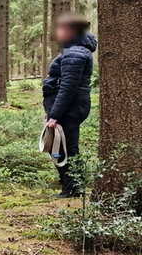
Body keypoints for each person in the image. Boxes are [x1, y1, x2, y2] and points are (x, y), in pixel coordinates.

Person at [43, 13, 97, 198]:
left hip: (69, 109)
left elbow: (67, 88)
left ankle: (73, 188)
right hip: (67, 108)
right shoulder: (75, 50)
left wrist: (55, 114)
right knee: (58, 148)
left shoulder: (75, 53)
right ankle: (69, 184)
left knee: (67, 148)